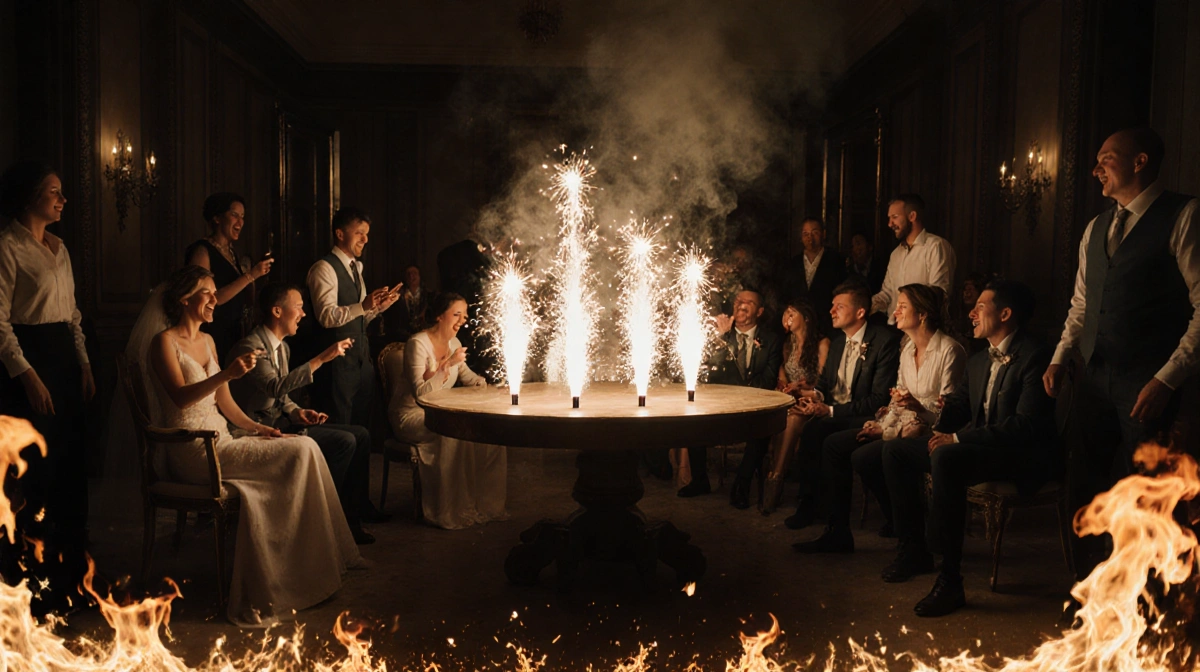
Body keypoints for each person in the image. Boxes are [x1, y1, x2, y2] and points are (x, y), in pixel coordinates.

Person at [146, 265, 362, 626]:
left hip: (224, 439)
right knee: (302, 450)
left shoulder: (209, 342)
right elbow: (181, 398)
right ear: (185, 300)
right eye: (208, 293)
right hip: (193, 449)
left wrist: (259, 429)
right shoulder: (163, 342)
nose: (216, 299)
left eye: (216, 292)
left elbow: (226, 405)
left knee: (303, 448)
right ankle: (282, 576)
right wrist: (227, 373)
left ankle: (304, 566)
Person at [1042, 127, 1200, 597]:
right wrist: (1060, 357)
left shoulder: (1184, 215)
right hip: (1091, 379)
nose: (1095, 169)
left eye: (1106, 158)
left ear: (1139, 162)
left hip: (1147, 381)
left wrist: (1166, 380)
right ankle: (1091, 592)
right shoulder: (1095, 228)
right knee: (1087, 487)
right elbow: (1081, 305)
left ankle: (1153, 605)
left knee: (1150, 494)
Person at [883, 281, 1057, 617]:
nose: (971, 313)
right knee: (896, 452)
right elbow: (959, 411)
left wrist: (958, 439)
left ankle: (950, 581)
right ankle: (914, 549)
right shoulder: (979, 360)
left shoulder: (1036, 355)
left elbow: (1025, 427)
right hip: (984, 449)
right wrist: (927, 409)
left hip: (1021, 456)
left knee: (947, 455)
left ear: (1005, 314)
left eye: (980, 306)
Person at [794, 283, 965, 552]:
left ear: (922, 314)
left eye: (902, 306)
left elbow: (952, 411)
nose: (894, 311)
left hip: (931, 430)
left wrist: (915, 410)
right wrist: (881, 426)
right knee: (836, 445)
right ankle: (838, 532)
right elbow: (895, 402)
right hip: (900, 425)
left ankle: (910, 535)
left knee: (875, 453)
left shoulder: (949, 350)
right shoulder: (907, 349)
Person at [0, 160, 94, 613]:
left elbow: (72, 314)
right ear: (30, 195)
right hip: (28, 367)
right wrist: (29, 375)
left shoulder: (60, 247)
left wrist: (84, 363)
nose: (62, 200)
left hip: (64, 362)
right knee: (35, 477)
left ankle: (73, 580)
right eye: (54, 191)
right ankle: (31, 589)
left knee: (71, 473)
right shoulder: (7, 246)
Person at [227, 283, 387, 545]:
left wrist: (297, 411)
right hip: (256, 431)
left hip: (281, 424)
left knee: (361, 435)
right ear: (277, 311)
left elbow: (281, 396)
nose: (303, 314)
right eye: (299, 307)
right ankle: (317, 521)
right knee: (343, 442)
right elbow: (275, 386)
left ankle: (348, 521)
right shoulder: (250, 347)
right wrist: (322, 359)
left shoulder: (283, 348)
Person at [784, 280, 901, 530]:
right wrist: (813, 398)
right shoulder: (837, 342)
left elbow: (879, 399)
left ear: (860, 312)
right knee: (811, 429)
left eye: (839, 306)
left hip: (866, 416)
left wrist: (830, 411)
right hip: (835, 413)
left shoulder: (883, 341)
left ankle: (830, 516)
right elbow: (824, 385)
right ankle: (810, 504)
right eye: (832, 306)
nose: (831, 311)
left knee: (823, 434)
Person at [389, 292, 507, 529]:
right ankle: (451, 509)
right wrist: (447, 365)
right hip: (412, 414)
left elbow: (467, 377)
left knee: (489, 432)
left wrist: (490, 386)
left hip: (442, 411)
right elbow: (420, 393)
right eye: (456, 314)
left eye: (464, 315)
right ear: (439, 316)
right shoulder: (417, 344)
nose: (462, 320)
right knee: (456, 431)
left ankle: (483, 503)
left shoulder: (454, 343)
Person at [677, 289, 783, 509]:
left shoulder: (771, 340)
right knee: (692, 419)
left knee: (761, 432)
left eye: (748, 302)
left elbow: (768, 380)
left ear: (760, 311)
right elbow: (712, 375)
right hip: (722, 405)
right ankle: (700, 480)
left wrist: (744, 394)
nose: (741, 304)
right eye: (737, 301)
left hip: (755, 406)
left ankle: (741, 486)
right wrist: (722, 340)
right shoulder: (719, 335)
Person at [307, 207, 400, 427]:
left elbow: (359, 319)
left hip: (361, 361)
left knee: (361, 429)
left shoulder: (355, 269)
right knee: (339, 429)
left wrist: (378, 308)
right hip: (336, 364)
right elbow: (326, 317)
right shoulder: (324, 268)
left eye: (367, 233)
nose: (365, 239)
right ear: (340, 234)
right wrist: (363, 305)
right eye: (359, 233)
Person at [185, 193, 274, 360]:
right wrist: (251, 274)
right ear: (217, 218)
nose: (240, 222)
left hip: (234, 333)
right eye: (234, 215)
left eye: (242, 217)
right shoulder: (202, 251)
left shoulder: (232, 253)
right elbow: (209, 299)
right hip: (212, 332)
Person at [762, 299, 829, 514]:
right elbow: (783, 367)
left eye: (792, 312)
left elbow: (822, 380)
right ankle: (775, 474)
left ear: (806, 318)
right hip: (790, 397)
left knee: (791, 418)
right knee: (776, 416)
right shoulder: (788, 342)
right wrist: (783, 382)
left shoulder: (822, 343)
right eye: (785, 313)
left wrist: (800, 388)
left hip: (813, 398)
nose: (786, 317)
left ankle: (776, 477)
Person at [870, 194, 956, 324]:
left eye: (895, 217)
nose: (889, 224)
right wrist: (863, 305)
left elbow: (939, 293)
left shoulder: (936, 246)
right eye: (889, 218)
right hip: (896, 328)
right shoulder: (896, 254)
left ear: (912, 216)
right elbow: (887, 294)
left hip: (924, 330)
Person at [781, 217, 846, 337]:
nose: (809, 237)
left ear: (823, 234)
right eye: (805, 233)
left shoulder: (836, 260)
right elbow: (786, 294)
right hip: (799, 325)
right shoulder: (793, 263)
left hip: (827, 324)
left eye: (814, 232)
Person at [378, 264, 428, 346]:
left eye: (414, 273)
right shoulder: (398, 295)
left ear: (420, 276)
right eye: (408, 274)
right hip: (401, 339)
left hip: (422, 338)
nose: (411, 276)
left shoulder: (427, 295)